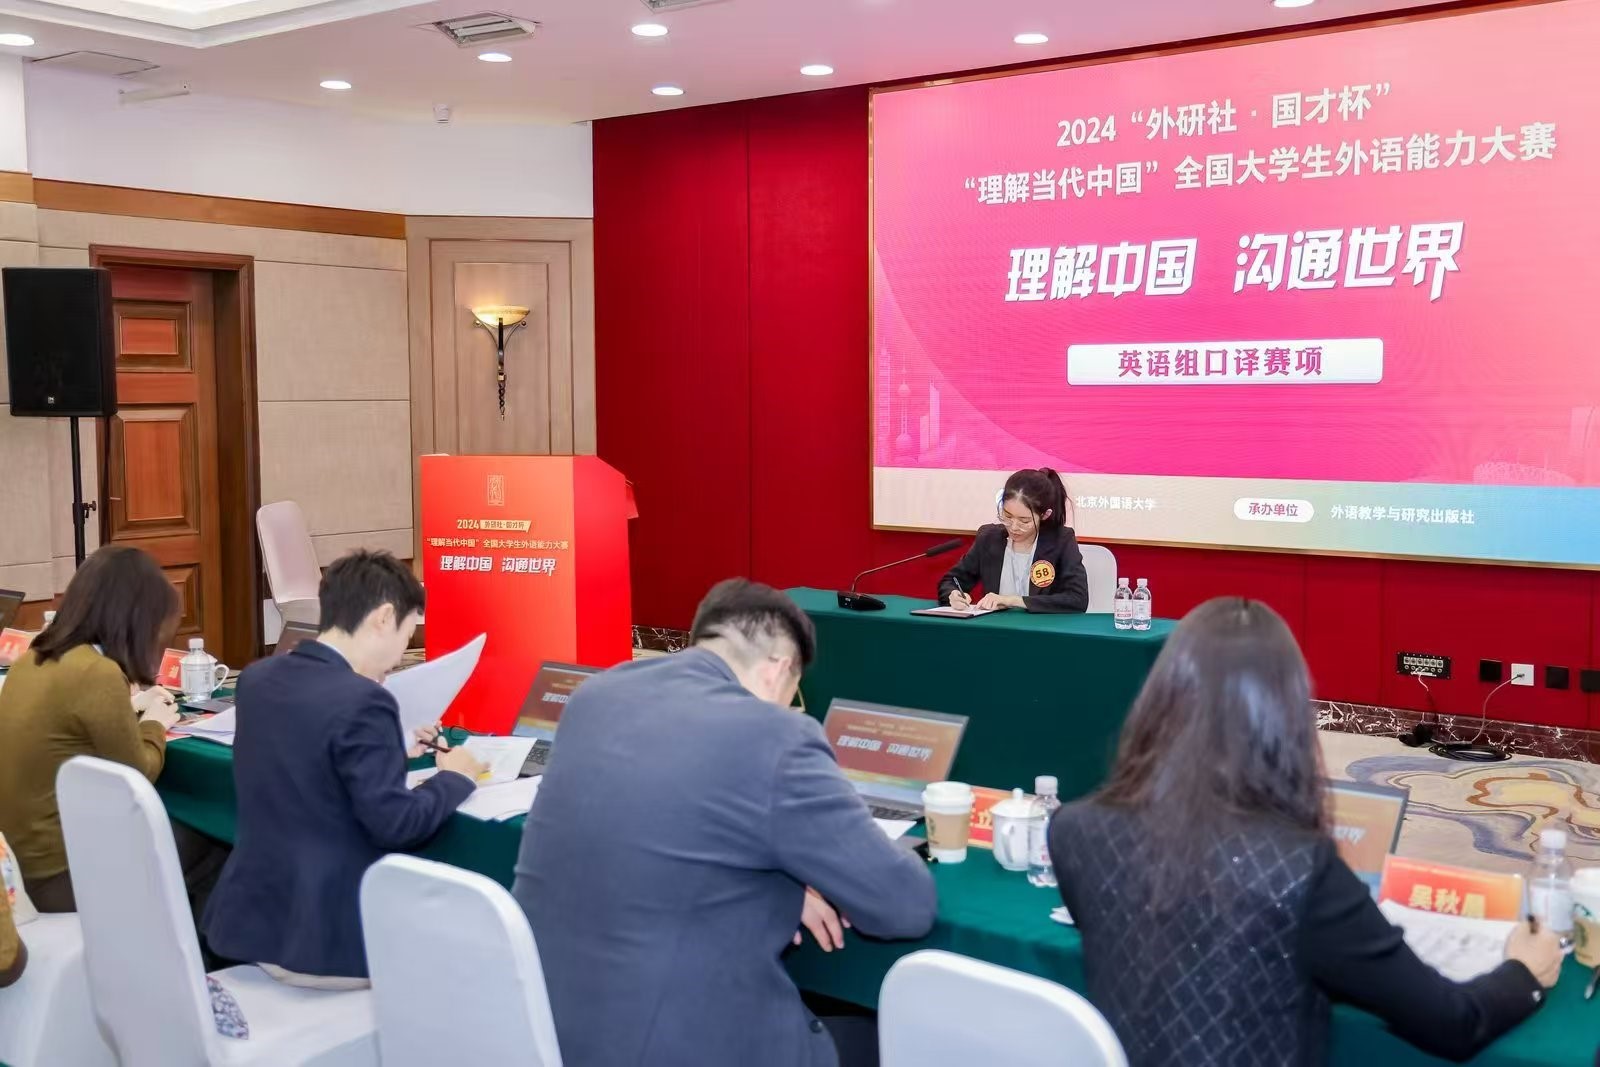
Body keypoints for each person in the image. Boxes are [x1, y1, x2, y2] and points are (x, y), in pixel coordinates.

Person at [1049, 598, 1560, 1066]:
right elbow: (1452, 1022)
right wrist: (1525, 972)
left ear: (1160, 700)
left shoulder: (1073, 830)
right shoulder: (1299, 869)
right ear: (1286, 715)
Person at [512, 578, 937, 1067]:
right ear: (778, 670)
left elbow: (662, 828)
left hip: (548, 1031)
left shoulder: (596, 695)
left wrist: (779, 887)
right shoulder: (776, 735)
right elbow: (905, 906)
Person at [203, 550, 485, 988]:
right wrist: (456, 777)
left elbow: (308, 758)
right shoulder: (365, 701)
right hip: (329, 941)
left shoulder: (258, 679)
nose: (401, 655)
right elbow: (398, 825)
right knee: (469, 957)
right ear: (383, 618)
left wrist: (392, 751)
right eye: (407, 635)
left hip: (254, 924)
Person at [0, 545, 215, 913]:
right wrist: (154, 723)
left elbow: (68, 725)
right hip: (59, 879)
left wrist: (131, 707)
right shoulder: (96, 673)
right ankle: (178, 946)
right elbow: (139, 772)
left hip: (19, 869)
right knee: (213, 839)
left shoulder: (33, 658)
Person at [937, 467, 1088, 613]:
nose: (1014, 527)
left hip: (1043, 627)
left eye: (1024, 521)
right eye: (1008, 517)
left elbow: (1077, 598)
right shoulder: (989, 538)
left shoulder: (1061, 540)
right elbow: (950, 582)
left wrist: (1012, 600)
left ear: (1045, 515)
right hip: (996, 626)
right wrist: (953, 594)